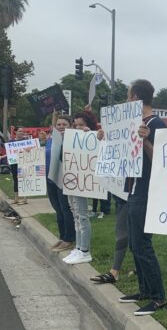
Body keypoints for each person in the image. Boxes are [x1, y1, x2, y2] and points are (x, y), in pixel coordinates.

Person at [117, 79, 167, 316]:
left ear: (136, 98)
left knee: (142, 244)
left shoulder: (157, 124)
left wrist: (146, 139)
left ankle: (158, 296)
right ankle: (144, 290)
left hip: (146, 192)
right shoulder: (133, 123)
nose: (126, 101)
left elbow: (163, 159)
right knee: (135, 244)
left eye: (128, 97)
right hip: (133, 189)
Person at [63, 111, 99, 265]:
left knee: (82, 215)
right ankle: (78, 248)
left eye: (81, 125)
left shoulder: (93, 136)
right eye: (75, 125)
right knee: (75, 214)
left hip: (83, 181)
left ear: (88, 125)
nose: (78, 127)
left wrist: (90, 134)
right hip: (73, 180)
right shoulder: (72, 138)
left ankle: (85, 250)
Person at [46, 114, 76, 252]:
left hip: (65, 179)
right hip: (51, 178)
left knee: (65, 209)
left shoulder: (73, 140)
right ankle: (62, 236)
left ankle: (69, 239)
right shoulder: (52, 139)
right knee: (58, 209)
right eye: (59, 124)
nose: (61, 127)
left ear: (70, 126)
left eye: (64, 124)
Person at [9, 126, 29, 205]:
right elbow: (9, 153)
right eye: (20, 131)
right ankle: (16, 198)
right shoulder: (11, 142)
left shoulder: (26, 141)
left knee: (24, 178)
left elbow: (32, 150)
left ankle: (25, 198)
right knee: (15, 179)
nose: (22, 133)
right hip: (14, 163)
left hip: (24, 162)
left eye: (23, 131)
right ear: (15, 132)